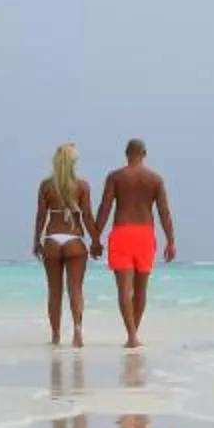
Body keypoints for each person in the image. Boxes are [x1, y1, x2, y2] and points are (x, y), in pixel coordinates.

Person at [92, 138, 176, 349]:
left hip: (121, 233)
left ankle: (131, 335)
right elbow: (164, 212)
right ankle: (133, 335)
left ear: (126, 153)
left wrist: (95, 237)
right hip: (145, 235)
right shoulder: (155, 179)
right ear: (144, 153)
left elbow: (105, 208)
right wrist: (171, 241)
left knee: (124, 289)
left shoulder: (116, 177)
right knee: (141, 291)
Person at [32, 142, 98, 347]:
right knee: (75, 289)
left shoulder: (46, 185)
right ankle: (77, 331)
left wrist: (36, 240)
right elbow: (87, 216)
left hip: (52, 240)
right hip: (74, 241)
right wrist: (96, 240)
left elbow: (41, 216)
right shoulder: (82, 185)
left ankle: (55, 335)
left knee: (54, 291)